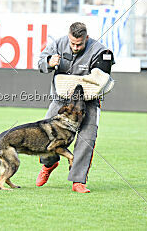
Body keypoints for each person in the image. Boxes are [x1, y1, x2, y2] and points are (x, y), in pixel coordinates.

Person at [37, 22, 114, 193]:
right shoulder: (57, 44)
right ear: (68, 36)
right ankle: (49, 164)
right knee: (44, 136)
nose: (75, 47)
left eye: (79, 44)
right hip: (61, 101)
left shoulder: (100, 51)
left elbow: (100, 80)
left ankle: (78, 181)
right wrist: (49, 62)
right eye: (72, 43)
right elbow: (40, 63)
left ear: (86, 38)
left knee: (87, 140)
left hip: (88, 103)